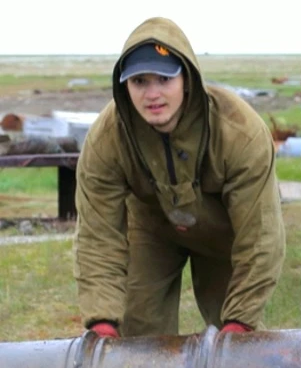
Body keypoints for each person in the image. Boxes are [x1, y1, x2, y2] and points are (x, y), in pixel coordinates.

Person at [74, 18, 286, 338]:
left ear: (186, 78)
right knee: (139, 338)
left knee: (236, 343)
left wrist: (240, 321)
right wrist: (102, 321)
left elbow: (261, 234)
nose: (152, 94)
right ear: (124, 87)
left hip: (224, 230)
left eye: (164, 78)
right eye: (139, 82)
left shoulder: (239, 132)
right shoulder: (107, 138)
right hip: (152, 226)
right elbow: (97, 236)